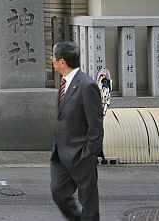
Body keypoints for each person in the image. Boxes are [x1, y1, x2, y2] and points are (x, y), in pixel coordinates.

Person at [50, 41, 103, 221]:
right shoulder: (65, 82)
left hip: (81, 153)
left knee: (89, 203)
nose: (52, 60)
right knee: (58, 191)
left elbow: (96, 124)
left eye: (53, 57)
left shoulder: (87, 86)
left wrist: (89, 153)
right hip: (61, 153)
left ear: (62, 62)